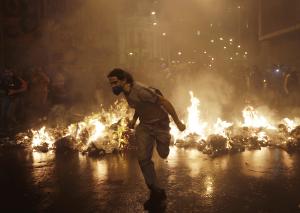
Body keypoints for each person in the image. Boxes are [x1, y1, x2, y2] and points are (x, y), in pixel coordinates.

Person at [107, 68, 186, 210]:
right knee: (143, 159)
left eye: (114, 83)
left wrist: (178, 122)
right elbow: (139, 105)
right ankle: (155, 191)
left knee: (163, 153)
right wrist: (133, 120)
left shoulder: (141, 90)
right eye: (111, 84)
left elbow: (164, 102)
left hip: (160, 124)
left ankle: (164, 141)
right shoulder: (126, 91)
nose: (113, 86)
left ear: (124, 80)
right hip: (144, 126)